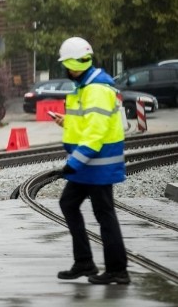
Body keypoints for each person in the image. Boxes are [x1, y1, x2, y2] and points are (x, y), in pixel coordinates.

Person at [53, 36, 129, 285]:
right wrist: (67, 122)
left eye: (66, 64)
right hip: (88, 166)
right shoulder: (87, 86)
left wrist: (73, 163)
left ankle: (117, 270)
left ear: (74, 65)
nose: (65, 69)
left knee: (104, 214)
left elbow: (95, 135)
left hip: (96, 165)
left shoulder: (96, 89)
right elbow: (90, 123)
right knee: (69, 204)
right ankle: (84, 262)